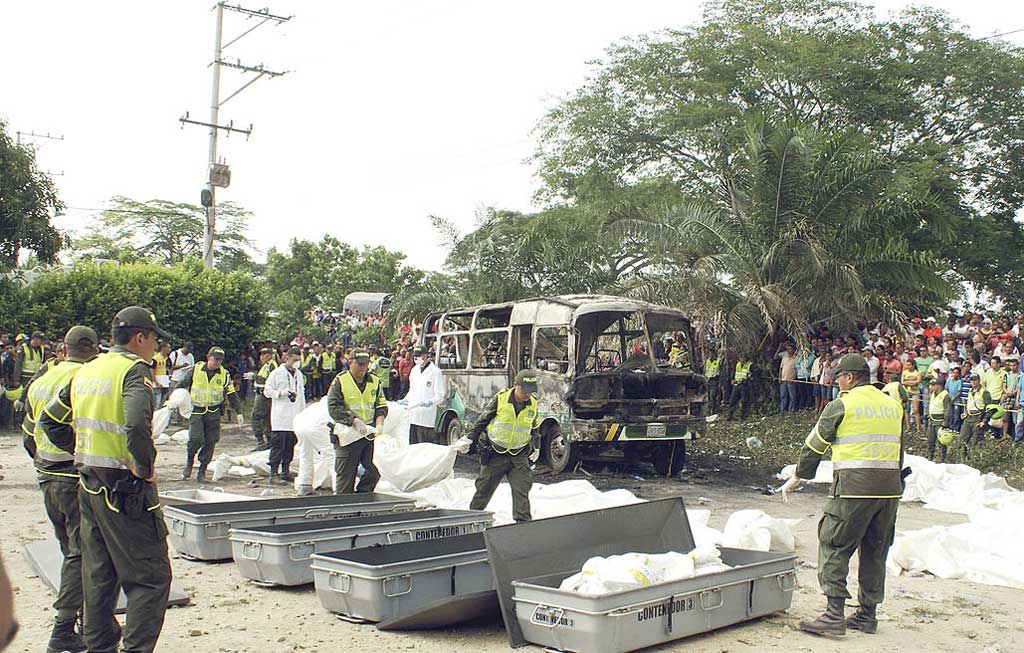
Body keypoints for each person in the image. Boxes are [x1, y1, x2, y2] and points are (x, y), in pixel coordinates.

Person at [39, 306, 172, 653]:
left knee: (99, 577)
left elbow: (51, 422)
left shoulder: (87, 370)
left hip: (87, 486)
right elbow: (137, 423)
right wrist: (143, 467)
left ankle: (99, 647)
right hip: (125, 491)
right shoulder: (133, 371)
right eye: (154, 340)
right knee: (150, 579)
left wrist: (79, 450)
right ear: (140, 337)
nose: (155, 347)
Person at [780, 353, 903, 636]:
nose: (837, 383)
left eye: (839, 378)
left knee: (834, 544)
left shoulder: (842, 405)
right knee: (875, 550)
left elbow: (814, 445)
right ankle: (867, 615)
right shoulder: (893, 405)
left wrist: (799, 475)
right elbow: (899, 450)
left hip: (852, 489)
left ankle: (834, 615)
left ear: (848, 378)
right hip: (889, 491)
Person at [20, 326, 98, 653]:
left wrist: (43, 464)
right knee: (81, 555)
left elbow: (28, 436)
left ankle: (80, 620)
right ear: (93, 349)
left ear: (65, 349)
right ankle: (64, 627)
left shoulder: (40, 382)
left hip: (46, 476)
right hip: (74, 477)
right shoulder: (87, 382)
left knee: (69, 550)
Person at [458, 370, 541, 523]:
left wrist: (536, 446)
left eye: (531, 392)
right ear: (515, 385)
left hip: (519, 456)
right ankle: (470, 521)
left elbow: (535, 428)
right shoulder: (501, 399)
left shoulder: (533, 404)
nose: (527, 395)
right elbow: (482, 420)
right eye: (525, 391)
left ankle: (524, 525)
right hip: (495, 454)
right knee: (483, 490)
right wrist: (469, 438)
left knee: (522, 490)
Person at [176, 347, 243, 482]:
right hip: (196, 409)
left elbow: (231, 393)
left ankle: (202, 471)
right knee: (196, 438)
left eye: (220, 360)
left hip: (213, 411)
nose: (217, 362)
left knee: (211, 441)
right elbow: (181, 385)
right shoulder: (196, 369)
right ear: (208, 357)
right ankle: (189, 462)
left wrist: (239, 412)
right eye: (215, 359)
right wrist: (176, 399)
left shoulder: (224, 374)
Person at [327, 348, 387, 494]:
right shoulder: (340, 381)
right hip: (347, 435)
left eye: (366, 364)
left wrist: (379, 423)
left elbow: (381, 405)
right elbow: (333, 406)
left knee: (372, 471)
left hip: (367, 435)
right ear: (350, 363)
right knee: (346, 476)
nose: (363, 368)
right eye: (360, 365)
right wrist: (353, 420)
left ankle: (362, 499)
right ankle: (343, 510)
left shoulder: (374, 382)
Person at [264, 347, 306, 483]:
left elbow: (302, 395)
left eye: (299, 361)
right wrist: (281, 393)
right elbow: (267, 391)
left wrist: (303, 412)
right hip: (281, 416)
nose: (296, 363)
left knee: (290, 445)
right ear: (287, 358)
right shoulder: (277, 373)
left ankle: (285, 471)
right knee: (278, 445)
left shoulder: (299, 374)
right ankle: (273, 473)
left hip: (295, 416)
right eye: (294, 360)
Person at [403, 346, 445, 444]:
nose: (416, 359)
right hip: (413, 414)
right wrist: (405, 400)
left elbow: (440, 394)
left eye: (418, 356)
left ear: (425, 355)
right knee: (413, 444)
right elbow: (412, 390)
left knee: (425, 445)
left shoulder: (435, 372)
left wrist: (431, 401)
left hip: (427, 416)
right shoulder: (414, 371)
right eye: (415, 357)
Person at [957, 373, 994, 461]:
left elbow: (990, 408)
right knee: (962, 439)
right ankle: (963, 459)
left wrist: (984, 421)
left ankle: (975, 460)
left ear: (979, 380)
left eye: (975, 380)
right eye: (971, 380)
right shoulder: (970, 391)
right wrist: (965, 413)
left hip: (978, 417)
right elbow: (969, 404)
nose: (973, 382)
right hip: (969, 417)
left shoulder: (984, 392)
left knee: (976, 441)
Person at [250, 347, 277, 451]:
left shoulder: (271, 365)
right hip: (262, 393)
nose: (262, 356)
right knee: (266, 418)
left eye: (265, 354)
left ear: (270, 355)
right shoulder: (265, 365)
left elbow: (268, 379)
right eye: (261, 354)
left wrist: (254, 377)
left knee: (255, 417)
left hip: (264, 395)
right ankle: (269, 441)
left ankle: (261, 441)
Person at [925, 378, 951, 462]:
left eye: (933, 385)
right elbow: (930, 405)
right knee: (930, 440)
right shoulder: (932, 393)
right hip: (932, 420)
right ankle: (930, 456)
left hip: (940, 420)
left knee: (941, 441)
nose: (930, 387)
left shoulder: (945, 395)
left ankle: (942, 458)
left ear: (939, 386)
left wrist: (945, 422)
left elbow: (948, 409)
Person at [727, 353, 754, 420]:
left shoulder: (750, 365)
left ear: (746, 358)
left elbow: (755, 374)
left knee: (744, 401)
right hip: (737, 384)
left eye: (742, 358)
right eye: (740, 358)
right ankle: (729, 416)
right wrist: (732, 379)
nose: (741, 359)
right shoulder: (738, 364)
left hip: (745, 386)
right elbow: (734, 372)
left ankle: (742, 416)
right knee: (732, 400)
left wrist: (750, 377)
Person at [777, 343, 798, 412]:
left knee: (792, 396)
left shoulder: (796, 358)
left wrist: (794, 378)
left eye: (790, 349)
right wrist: (779, 377)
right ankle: (782, 410)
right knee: (783, 395)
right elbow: (781, 368)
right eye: (788, 349)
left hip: (791, 380)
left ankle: (791, 409)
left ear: (794, 350)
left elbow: (797, 369)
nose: (789, 351)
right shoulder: (784, 358)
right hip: (783, 379)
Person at [151, 342, 172, 408]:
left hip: (166, 382)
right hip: (158, 382)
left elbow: (170, 368)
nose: (170, 349)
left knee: (163, 403)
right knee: (157, 402)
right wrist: (156, 382)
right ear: (163, 348)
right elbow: (152, 370)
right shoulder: (155, 358)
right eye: (168, 347)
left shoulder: (168, 359)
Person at [704, 349, 722, 413]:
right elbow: (706, 370)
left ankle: (713, 410)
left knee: (713, 396)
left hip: (715, 380)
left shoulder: (718, 361)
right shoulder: (708, 361)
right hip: (708, 380)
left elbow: (720, 371)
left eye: (711, 353)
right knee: (708, 396)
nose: (710, 355)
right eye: (709, 353)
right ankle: (709, 410)